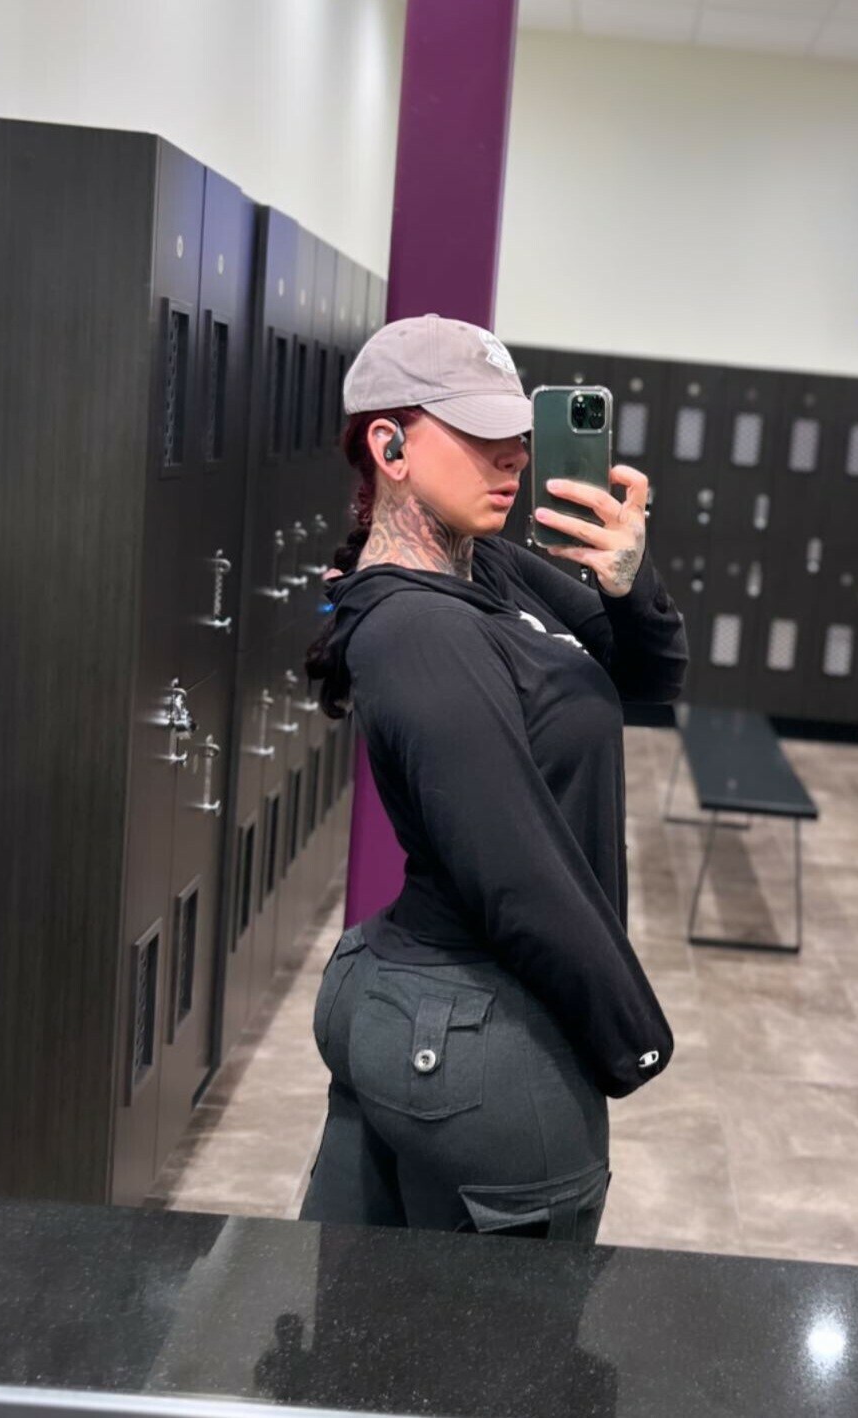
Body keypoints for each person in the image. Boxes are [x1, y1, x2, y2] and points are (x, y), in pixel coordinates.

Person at [299, 314, 686, 1241]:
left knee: (361, 1313)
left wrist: (629, 581)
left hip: (429, 1004)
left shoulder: (489, 567)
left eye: (516, 432)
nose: (512, 457)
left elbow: (649, 678)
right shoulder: (420, 630)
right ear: (390, 446)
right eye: (478, 434)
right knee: (506, 1335)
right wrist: (633, 1037)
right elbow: (516, 874)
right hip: (474, 1029)